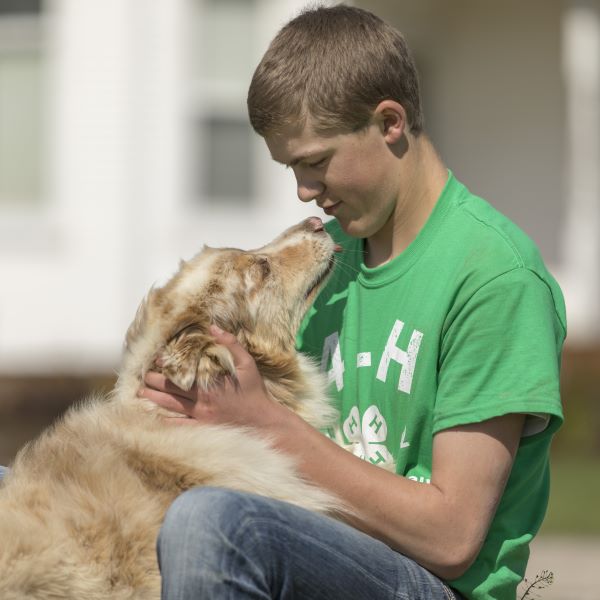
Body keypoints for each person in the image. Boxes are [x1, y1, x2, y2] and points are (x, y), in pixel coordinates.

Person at [140, 5, 565, 599]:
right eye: (291, 167)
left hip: (430, 584)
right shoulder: (330, 257)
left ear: (390, 122)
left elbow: (451, 536)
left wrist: (269, 426)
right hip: (310, 540)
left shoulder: (494, 277)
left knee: (214, 525)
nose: (304, 191)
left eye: (315, 162)